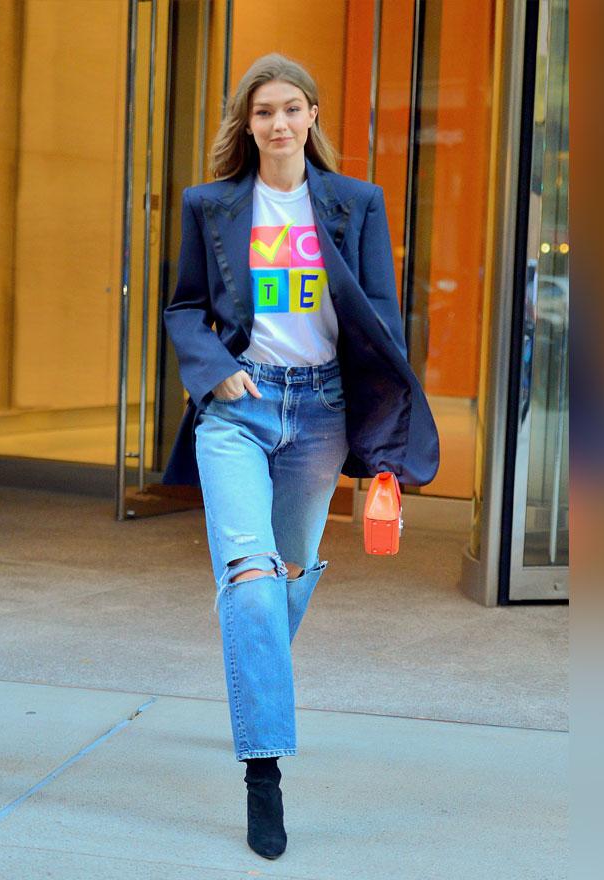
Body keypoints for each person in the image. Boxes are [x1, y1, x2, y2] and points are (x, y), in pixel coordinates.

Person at [161, 53, 440, 860]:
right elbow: (184, 307)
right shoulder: (210, 205)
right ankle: (264, 773)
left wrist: (382, 437)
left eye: (290, 109)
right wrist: (217, 375)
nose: (277, 124)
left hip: (320, 414)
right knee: (248, 582)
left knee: (286, 574)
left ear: (313, 115)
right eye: (261, 112)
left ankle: (256, 694)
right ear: (245, 125)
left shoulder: (356, 204)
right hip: (239, 412)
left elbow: (382, 322)